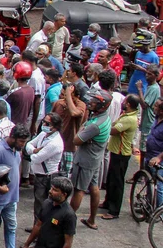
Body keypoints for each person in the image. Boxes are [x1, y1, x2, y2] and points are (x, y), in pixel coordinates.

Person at [70, 90, 111, 230]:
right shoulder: (104, 117)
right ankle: (92, 220)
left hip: (85, 160)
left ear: (102, 106)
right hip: (95, 159)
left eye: (94, 102)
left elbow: (76, 140)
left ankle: (67, 220)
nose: (90, 103)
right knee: (94, 187)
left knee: (79, 189)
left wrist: (82, 127)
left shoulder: (94, 125)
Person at [101, 94, 139, 220]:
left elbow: (114, 130)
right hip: (116, 151)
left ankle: (114, 210)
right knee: (111, 179)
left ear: (128, 104)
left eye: (125, 101)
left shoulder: (129, 119)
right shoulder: (126, 115)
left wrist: (104, 127)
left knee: (117, 182)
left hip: (121, 154)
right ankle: (108, 202)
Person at [26, 112, 64, 220]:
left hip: (46, 177)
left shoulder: (55, 143)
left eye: (47, 123)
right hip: (39, 175)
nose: (44, 125)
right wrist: (34, 150)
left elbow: (36, 158)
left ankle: (40, 229)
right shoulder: (43, 134)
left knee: (44, 204)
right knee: (38, 204)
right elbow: (29, 144)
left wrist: (31, 153)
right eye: (43, 122)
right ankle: (37, 227)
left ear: (55, 127)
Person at [135, 64, 160, 169]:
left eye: (150, 74)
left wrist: (140, 90)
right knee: (143, 148)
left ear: (156, 75)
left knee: (144, 149)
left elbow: (144, 105)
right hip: (146, 122)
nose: (147, 76)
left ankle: (142, 171)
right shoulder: (151, 87)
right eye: (147, 73)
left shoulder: (154, 88)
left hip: (149, 123)